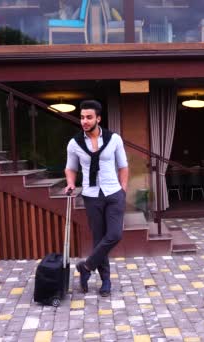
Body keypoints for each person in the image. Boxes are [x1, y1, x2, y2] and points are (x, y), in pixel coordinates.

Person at [64, 99, 129, 297]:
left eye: (89, 117)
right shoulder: (74, 143)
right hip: (91, 195)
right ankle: (105, 281)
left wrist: (123, 190)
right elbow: (71, 168)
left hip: (113, 193)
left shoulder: (114, 139)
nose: (84, 121)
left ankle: (86, 267)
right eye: (82, 117)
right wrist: (70, 182)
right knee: (99, 239)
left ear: (98, 119)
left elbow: (123, 166)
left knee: (115, 235)